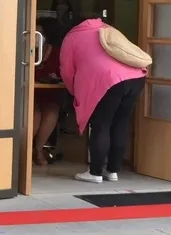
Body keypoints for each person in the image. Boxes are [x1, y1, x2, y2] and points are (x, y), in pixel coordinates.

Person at [59, 18, 147, 183]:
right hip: (136, 77)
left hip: (107, 81)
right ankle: (112, 171)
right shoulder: (107, 28)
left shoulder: (72, 37)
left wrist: (75, 92)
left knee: (101, 124)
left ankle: (95, 173)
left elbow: (67, 70)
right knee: (120, 124)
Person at [32, 18, 64, 166]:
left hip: (48, 93)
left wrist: (55, 77)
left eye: (40, 33)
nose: (36, 36)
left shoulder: (56, 52)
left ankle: (38, 149)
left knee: (52, 112)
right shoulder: (26, 49)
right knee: (35, 114)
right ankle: (25, 151)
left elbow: (62, 73)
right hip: (29, 94)